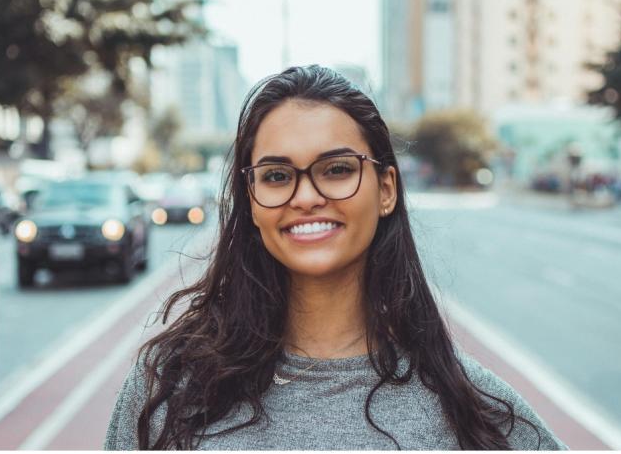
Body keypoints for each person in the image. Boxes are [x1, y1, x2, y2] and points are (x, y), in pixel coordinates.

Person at [104, 65, 566, 450]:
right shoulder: (167, 390)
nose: (306, 196)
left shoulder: (477, 414)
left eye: (337, 169)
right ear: (250, 199)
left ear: (386, 190)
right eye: (278, 175)